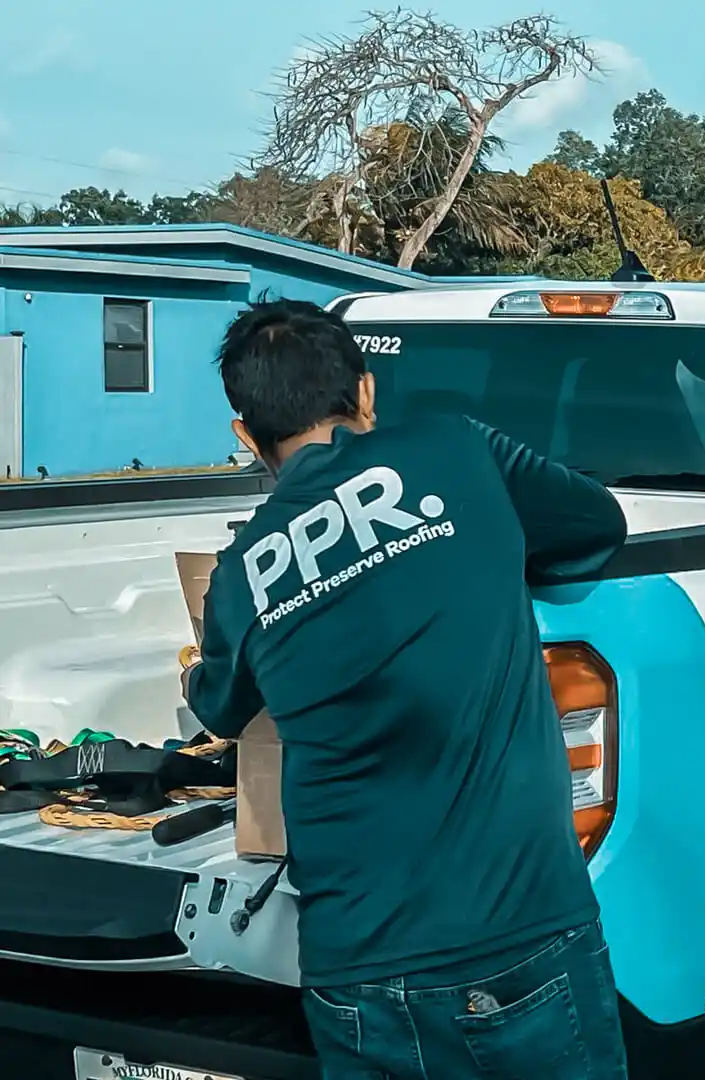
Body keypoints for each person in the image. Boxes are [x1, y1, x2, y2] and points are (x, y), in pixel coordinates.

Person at [180, 298, 631, 1080]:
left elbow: (218, 705)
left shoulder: (240, 575)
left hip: (356, 974)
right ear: (365, 392)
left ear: (247, 439)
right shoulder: (458, 452)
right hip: (517, 938)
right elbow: (597, 523)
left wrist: (197, 663)